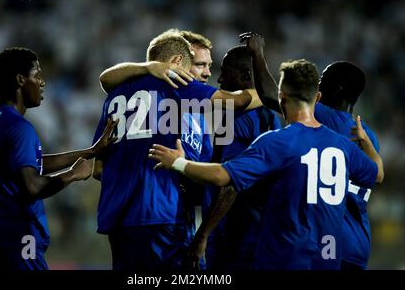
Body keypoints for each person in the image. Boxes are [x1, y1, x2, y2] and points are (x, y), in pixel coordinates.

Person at [149, 59, 384, 270]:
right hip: (331, 253)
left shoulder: (278, 142)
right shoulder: (344, 145)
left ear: (281, 96)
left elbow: (223, 176)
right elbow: (377, 175)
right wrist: (368, 146)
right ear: (317, 98)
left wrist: (177, 162)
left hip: (288, 253)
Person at [92, 30, 262, 271]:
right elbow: (239, 101)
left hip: (118, 220)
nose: (206, 73)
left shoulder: (115, 97)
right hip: (163, 214)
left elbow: (98, 168)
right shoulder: (177, 86)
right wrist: (273, 93)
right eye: (199, 64)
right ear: (177, 62)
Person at [0, 47, 117, 270]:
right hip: (15, 237)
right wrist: (74, 174)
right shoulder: (20, 127)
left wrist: (90, 152)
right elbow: (33, 186)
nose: (42, 82)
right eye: (37, 75)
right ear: (20, 79)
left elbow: (27, 163)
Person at [187, 43, 281, 271]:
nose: (218, 80)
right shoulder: (274, 116)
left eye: (225, 72)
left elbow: (231, 182)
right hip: (264, 229)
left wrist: (203, 234)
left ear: (245, 74)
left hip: (233, 231)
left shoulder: (237, 118)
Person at [315, 61, 380, 270]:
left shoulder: (322, 115)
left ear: (339, 87)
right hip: (358, 242)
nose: (318, 84)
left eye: (323, 80)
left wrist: (258, 56)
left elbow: (274, 96)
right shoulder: (368, 136)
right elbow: (378, 174)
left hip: (329, 240)